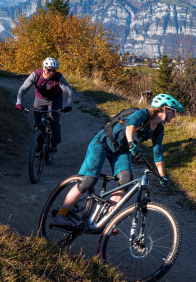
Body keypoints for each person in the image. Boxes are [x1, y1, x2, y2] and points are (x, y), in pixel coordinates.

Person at [52, 94, 184, 229]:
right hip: (102, 143)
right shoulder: (144, 114)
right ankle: (60, 214)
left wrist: (162, 175)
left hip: (120, 151)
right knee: (89, 180)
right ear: (165, 109)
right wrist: (131, 143)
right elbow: (131, 125)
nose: (174, 116)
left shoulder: (159, 130)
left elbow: (158, 154)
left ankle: (105, 218)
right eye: (174, 111)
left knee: (126, 179)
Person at [15, 57, 73, 151]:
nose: (51, 72)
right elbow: (23, 89)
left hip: (55, 100)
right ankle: (38, 141)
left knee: (54, 121)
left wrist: (69, 104)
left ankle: (54, 144)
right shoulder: (36, 75)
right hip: (40, 99)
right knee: (37, 123)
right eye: (49, 70)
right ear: (43, 68)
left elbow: (69, 91)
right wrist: (18, 103)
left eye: (53, 70)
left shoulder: (58, 77)